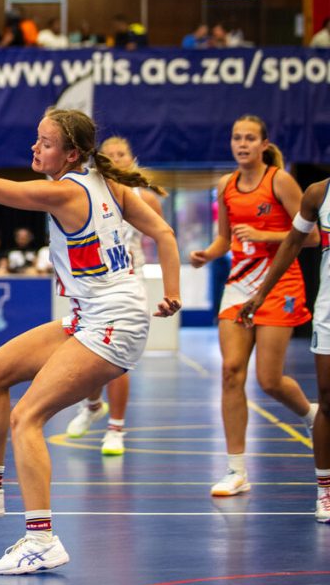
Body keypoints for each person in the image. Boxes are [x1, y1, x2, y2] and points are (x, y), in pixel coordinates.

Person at [0, 99, 181, 574]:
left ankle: (41, 540)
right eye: (37, 138)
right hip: (92, 315)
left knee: (28, 418)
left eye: (45, 142)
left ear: (70, 155)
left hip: (113, 323)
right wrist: (170, 294)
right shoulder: (112, 186)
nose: (35, 147)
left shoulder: (66, 193)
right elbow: (165, 234)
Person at [189, 115, 318, 496]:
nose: (242, 144)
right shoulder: (225, 185)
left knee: (270, 380)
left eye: (249, 138)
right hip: (238, 287)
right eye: (236, 138)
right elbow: (224, 240)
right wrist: (205, 255)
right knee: (231, 372)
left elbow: (309, 238)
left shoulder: (279, 181)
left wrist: (266, 233)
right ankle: (236, 470)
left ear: (264, 145)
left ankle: (313, 416)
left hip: (280, 284)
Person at [65, 136, 167, 455]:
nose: (115, 158)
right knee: (86, 354)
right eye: (107, 154)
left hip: (126, 286)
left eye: (121, 153)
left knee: (117, 361)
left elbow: (163, 237)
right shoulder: (84, 192)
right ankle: (93, 404)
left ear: (132, 158)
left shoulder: (145, 199)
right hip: (91, 286)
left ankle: (116, 430)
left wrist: (170, 288)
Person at [238, 175, 330, 522]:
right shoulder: (318, 194)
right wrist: (261, 295)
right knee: (327, 398)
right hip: (328, 312)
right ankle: (325, 490)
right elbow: (293, 243)